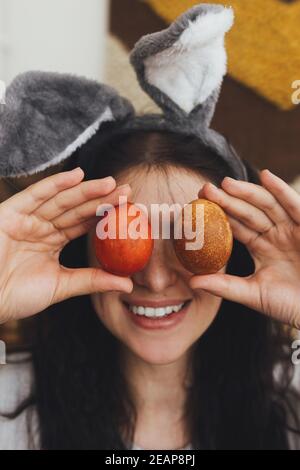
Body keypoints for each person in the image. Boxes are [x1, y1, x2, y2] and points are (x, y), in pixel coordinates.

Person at [0, 3, 299, 450]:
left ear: (234, 250)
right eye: (125, 233)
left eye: (187, 239)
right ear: (80, 246)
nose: (156, 279)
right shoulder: (10, 407)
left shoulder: (290, 396)